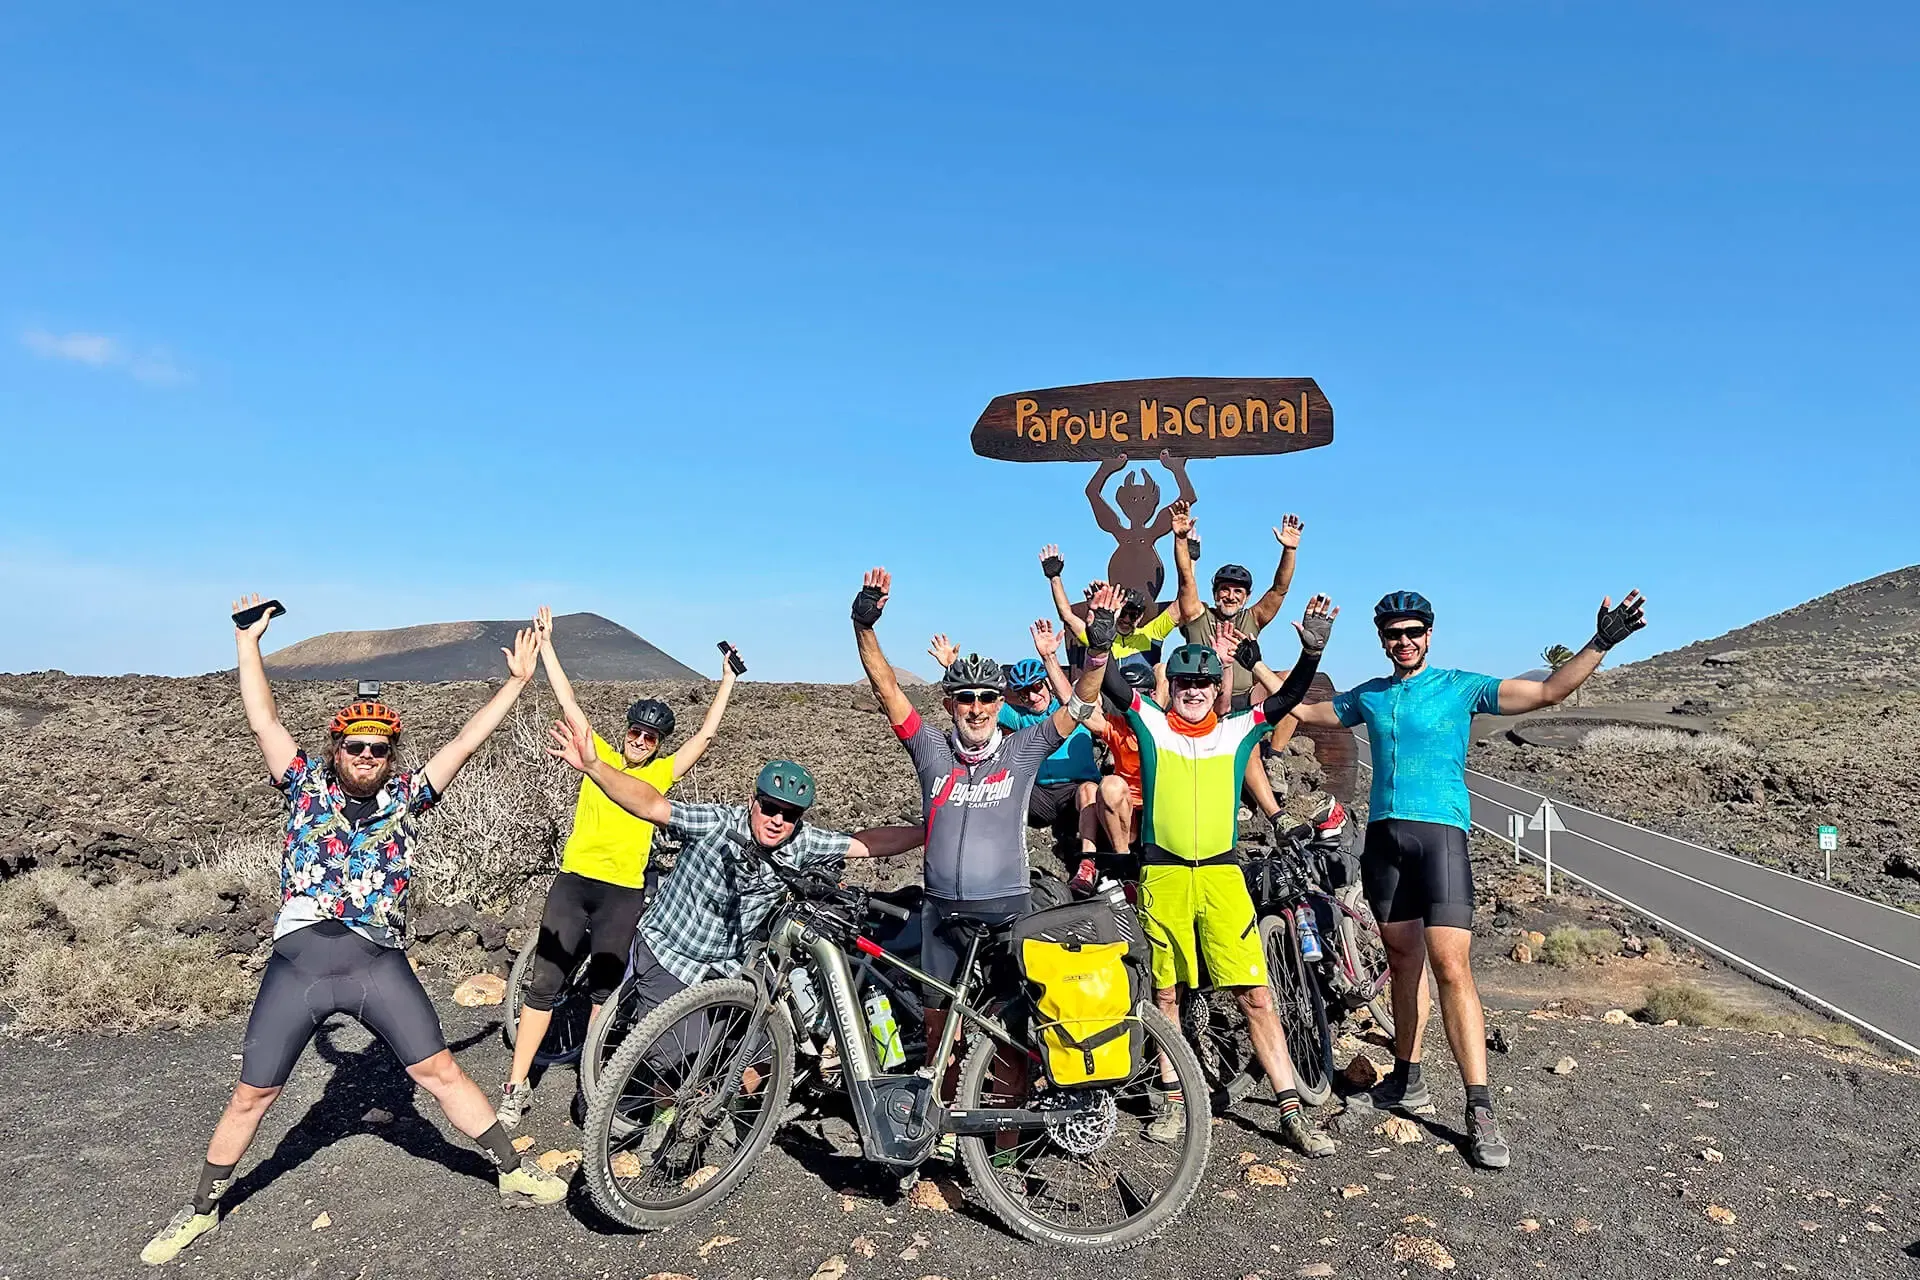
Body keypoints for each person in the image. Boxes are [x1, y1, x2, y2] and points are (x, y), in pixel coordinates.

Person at [141, 597, 566, 1266]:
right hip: (300, 967)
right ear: (336, 749)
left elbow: (464, 742)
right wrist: (248, 644)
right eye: (355, 745)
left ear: (390, 755)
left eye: (379, 748)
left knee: (439, 1070)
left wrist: (515, 683)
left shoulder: (407, 796)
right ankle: (198, 1210)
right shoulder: (304, 785)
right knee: (254, 1093)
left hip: (375, 963)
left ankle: (512, 1170)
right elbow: (264, 720)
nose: (367, 755)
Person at [1288, 588, 1649, 1170]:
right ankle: (1407, 1079)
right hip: (1383, 843)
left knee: (1452, 968)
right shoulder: (1370, 696)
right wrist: (1280, 654)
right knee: (1402, 961)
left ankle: (1479, 1108)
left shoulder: (1460, 686)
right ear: (1382, 640)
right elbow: (1301, 712)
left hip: (1441, 840)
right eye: (1393, 634)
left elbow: (1549, 692)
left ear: (1428, 635)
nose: (1403, 641)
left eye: (1413, 632)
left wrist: (1601, 642)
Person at [1090, 593, 1344, 1158]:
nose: (1194, 691)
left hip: (1222, 878)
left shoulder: (1236, 730)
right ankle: (1172, 1102)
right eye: (1185, 683)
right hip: (1164, 876)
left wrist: (1311, 654)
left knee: (1256, 995)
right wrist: (1100, 635)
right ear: (1173, 688)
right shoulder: (1152, 724)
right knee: (1166, 993)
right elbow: (1110, 683)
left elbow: (1289, 701)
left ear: (1215, 688)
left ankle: (1292, 1113)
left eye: (1203, 683)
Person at [495, 606, 740, 1130]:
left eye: (651, 738)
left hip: (623, 893)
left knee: (604, 994)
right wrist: (549, 647)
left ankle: (592, 1090)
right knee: (544, 984)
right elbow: (567, 700)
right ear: (625, 731)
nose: (640, 741)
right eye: (636, 731)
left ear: (658, 745)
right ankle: (516, 1087)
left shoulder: (661, 776)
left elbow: (704, 738)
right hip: (575, 883)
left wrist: (726, 681)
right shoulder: (597, 753)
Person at [852, 570, 1111, 1060]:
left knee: (1011, 1037)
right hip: (941, 914)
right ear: (950, 704)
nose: (977, 708)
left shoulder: (1021, 749)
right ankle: (945, 1111)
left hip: (1006, 911)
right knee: (938, 1034)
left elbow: (1079, 706)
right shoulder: (931, 749)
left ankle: (1003, 1112)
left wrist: (1097, 650)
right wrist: (863, 626)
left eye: (988, 697)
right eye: (966, 698)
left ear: (999, 703)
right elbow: (887, 690)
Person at [926, 633, 1101, 858]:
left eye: (1036, 687)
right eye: (1024, 694)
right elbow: (981, 705)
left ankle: (1088, 860)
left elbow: (1076, 699)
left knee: (1089, 790)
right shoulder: (1020, 716)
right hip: (1040, 794)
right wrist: (952, 665)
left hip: (1076, 790)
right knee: (998, 789)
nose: (1033, 697)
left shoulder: (1068, 708)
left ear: (1047, 683)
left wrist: (1049, 657)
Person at [1171, 501, 1306, 708]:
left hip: (1246, 698)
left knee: (1288, 680)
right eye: (1224, 589)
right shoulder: (1197, 615)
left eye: (1238, 592)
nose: (1230, 596)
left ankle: (1274, 733)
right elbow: (1186, 579)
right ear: (1215, 593)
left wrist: (1290, 550)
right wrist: (1180, 539)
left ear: (1246, 597)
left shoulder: (1252, 618)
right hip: (1205, 696)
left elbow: (1279, 589)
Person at [1037, 543, 1178, 668]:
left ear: (1140, 617)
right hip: (1109, 690)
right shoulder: (1101, 636)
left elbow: (1181, 606)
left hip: (1144, 689)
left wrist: (1184, 544)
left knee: (1161, 669)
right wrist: (1054, 577)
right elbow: (1067, 616)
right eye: (1123, 613)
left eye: (1133, 615)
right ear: (1116, 610)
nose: (1126, 619)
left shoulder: (1152, 633)